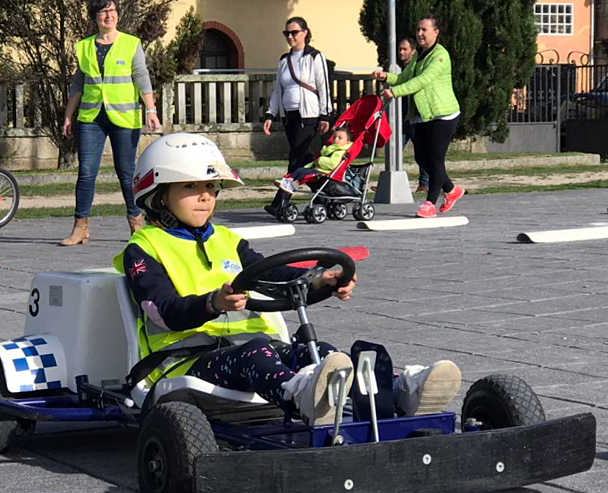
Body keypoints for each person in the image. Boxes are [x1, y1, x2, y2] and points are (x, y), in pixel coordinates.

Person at [115, 132, 462, 426]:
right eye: (191, 186)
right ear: (159, 195)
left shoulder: (227, 240)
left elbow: (271, 275)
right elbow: (162, 310)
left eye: (210, 185)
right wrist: (212, 303)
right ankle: (301, 396)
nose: (205, 195)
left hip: (252, 350)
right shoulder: (145, 248)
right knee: (255, 354)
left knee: (319, 352)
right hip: (184, 359)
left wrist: (321, 279)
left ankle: (399, 390)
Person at [59, 0, 162, 246]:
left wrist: (150, 109)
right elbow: (78, 84)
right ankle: (80, 227)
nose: (109, 15)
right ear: (95, 17)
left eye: (113, 11)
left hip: (124, 118)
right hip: (91, 117)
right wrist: (68, 115)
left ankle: (136, 225)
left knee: (126, 173)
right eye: (104, 11)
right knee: (86, 173)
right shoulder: (84, 47)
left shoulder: (130, 44)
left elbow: (141, 77)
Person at [374, 14, 464, 218]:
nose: (420, 33)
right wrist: (386, 77)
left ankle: (430, 204)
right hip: (423, 114)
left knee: (435, 158)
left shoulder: (440, 56)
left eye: (424, 29)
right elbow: (405, 77)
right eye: (418, 29)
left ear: (436, 32)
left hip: (443, 113)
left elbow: (422, 81)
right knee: (421, 157)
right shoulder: (419, 55)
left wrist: (395, 92)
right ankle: (451, 190)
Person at [262, 16, 333, 218]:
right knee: (304, 160)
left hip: (309, 115)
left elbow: (323, 86)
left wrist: (325, 115)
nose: (290, 37)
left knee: (295, 159)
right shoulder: (284, 60)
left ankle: (279, 201)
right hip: (289, 116)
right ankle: (324, 197)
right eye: (287, 33)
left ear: (305, 33)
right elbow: (278, 89)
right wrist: (270, 113)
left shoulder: (314, 56)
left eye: (294, 32)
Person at [274, 127, 353, 195]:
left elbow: (333, 164)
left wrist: (320, 160)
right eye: (334, 137)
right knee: (300, 170)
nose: (336, 139)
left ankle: (293, 184)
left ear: (347, 142)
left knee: (304, 174)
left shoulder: (339, 152)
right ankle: (288, 180)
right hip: (317, 168)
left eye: (340, 138)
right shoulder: (329, 149)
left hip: (325, 172)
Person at [396, 38, 430, 194]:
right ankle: (395, 181)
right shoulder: (398, 69)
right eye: (400, 49)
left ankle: (425, 184)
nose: (401, 52)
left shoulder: (416, 68)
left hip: (415, 118)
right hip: (401, 118)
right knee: (395, 150)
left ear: (413, 51)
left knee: (422, 153)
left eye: (404, 49)